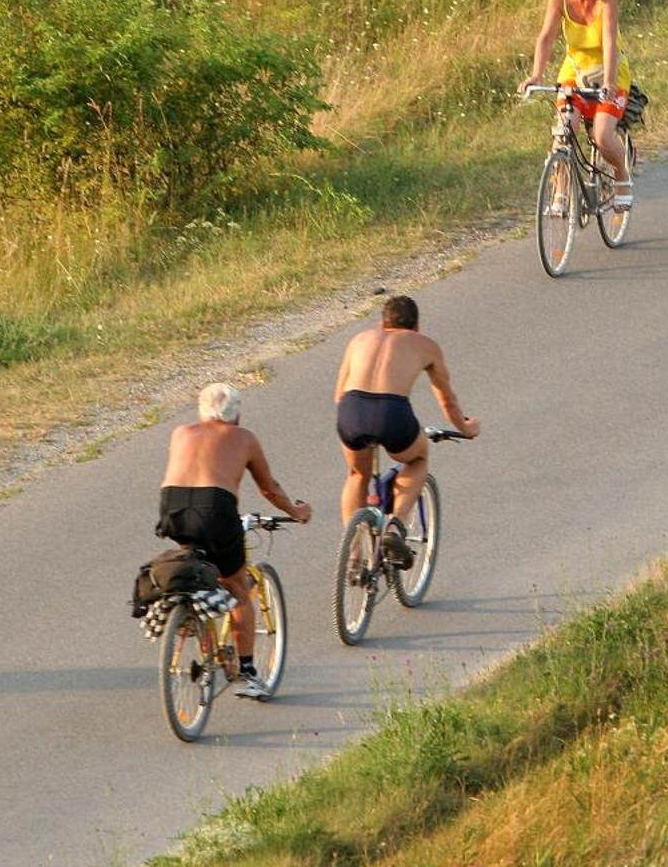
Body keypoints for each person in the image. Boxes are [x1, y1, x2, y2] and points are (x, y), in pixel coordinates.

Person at [158, 382, 312, 699]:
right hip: (214, 509)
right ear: (237, 415)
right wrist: (295, 511)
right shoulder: (244, 438)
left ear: (201, 412)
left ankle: (201, 632)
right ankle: (246, 672)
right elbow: (269, 488)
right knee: (238, 587)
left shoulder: (181, 433)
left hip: (172, 508)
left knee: (198, 574)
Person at [334, 295, 479, 564]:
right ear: (417, 325)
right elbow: (446, 400)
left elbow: (339, 395)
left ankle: (353, 553)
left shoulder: (359, 340)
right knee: (418, 457)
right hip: (391, 412)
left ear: (382, 322)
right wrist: (466, 427)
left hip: (351, 410)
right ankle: (395, 527)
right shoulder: (426, 345)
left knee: (357, 474)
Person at [520, 0, 634, 210]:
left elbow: (609, 41)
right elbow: (546, 37)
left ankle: (621, 175)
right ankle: (561, 193)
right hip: (574, 70)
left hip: (609, 68)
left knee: (603, 135)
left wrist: (608, 81)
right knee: (563, 131)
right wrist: (536, 74)